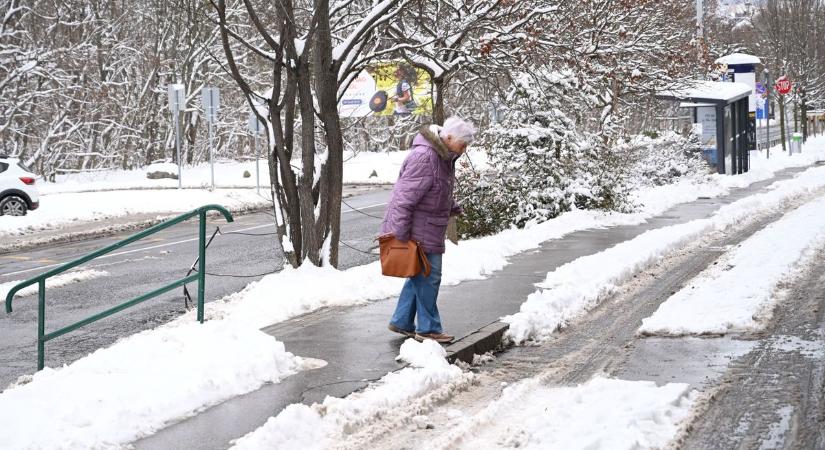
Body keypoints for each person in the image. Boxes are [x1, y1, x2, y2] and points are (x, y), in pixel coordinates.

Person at [380, 116, 476, 343]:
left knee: (419, 274)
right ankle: (428, 328)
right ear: (449, 137)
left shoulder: (441, 157)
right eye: (462, 145)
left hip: (427, 227)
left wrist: (450, 207)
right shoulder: (426, 157)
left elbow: (433, 190)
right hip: (417, 230)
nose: (464, 150)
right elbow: (404, 198)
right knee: (429, 277)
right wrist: (400, 233)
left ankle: (402, 321)